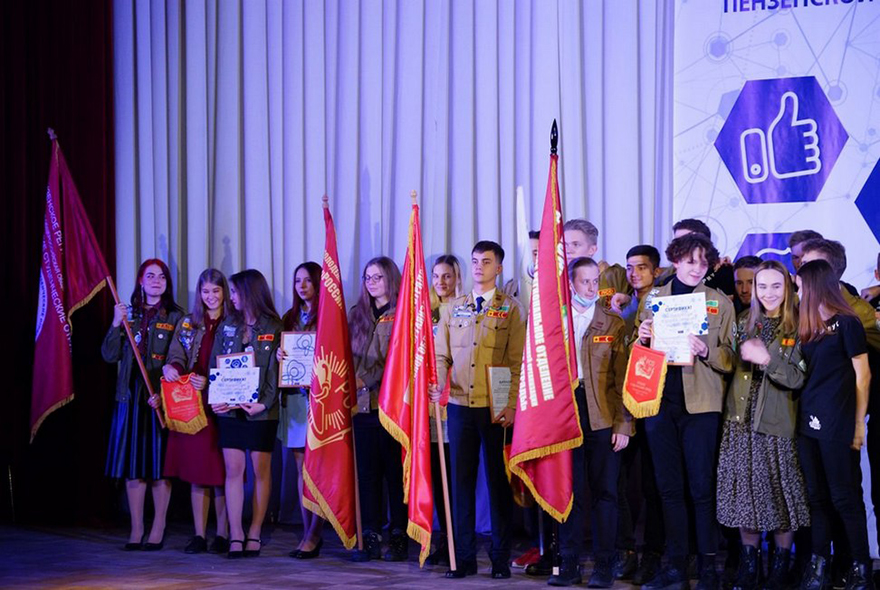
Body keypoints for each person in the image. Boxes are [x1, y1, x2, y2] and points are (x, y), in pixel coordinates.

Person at [636, 233, 737, 590]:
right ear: (675, 260)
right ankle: (676, 567)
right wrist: (641, 336)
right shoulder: (654, 298)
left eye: (703, 261)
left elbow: (731, 357)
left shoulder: (719, 302)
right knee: (668, 488)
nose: (697, 268)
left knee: (701, 488)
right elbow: (637, 352)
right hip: (659, 404)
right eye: (690, 260)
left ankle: (708, 568)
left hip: (702, 407)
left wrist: (706, 351)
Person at [432, 240, 526, 579]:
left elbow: (516, 362)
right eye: (474, 261)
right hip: (459, 406)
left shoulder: (511, 309)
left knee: (499, 483)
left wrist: (511, 405)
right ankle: (464, 557)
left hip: (495, 407)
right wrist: (437, 382)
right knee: (461, 484)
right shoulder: (453, 308)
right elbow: (441, 355)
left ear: (498, 268)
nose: (478, 267)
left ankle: (500, 558)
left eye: (486, 262)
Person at [716, 261, 810, 590]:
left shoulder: (800, 324)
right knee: (745, 497)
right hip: (740, 422)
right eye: (762, 286)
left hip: (777, 423)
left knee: (780, 497)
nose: (768, 293)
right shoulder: (744, 321)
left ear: (788, 287)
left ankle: (780, 567)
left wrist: (767, 360)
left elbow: (798, 378)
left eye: (776, 286)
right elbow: (728, 363)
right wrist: (705, 351)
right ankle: (749, 567)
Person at [549, 257, 632, 587]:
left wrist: (623, 424)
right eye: (584, 281)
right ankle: (569, 563)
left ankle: (604, 565)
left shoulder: (612, 322)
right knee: (568, 492)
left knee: (605, 493)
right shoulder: (554, 319)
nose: (590, 287)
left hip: (602, 413)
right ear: (570, 283)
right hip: (564, 413)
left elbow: (622, 379)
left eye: (595, 281)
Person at [794, 259, 872, 590]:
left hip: (838, 422)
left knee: (844, 498)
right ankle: (818, 568)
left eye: (800, 286)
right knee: (816, 498)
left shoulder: (848, 323)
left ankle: (860, 569)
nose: (797, 292)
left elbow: (863, 376)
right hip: (807, 423)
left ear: (814, 286)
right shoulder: (806, 326)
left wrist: (858, 423)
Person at [103, 258, 184, 550]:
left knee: (159, 467)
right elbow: (109, 355)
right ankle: (136, 528)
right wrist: (116, 323)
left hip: (157, 399)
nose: (156, 281)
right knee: (133, 467)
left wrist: (164, 394)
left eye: (161, 277)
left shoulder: (176, 316)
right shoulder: (128, 314)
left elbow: (180, 359)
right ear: (140, 280)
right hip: (130, 398)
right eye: (150, 276)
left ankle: (158, 526)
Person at [209, 269, 282, 559]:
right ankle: (236, 533)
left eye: (236, 292)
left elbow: (276, 372)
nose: (232, 298)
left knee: (260, 471)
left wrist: (264, 403)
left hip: (261, 412)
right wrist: (217, 398)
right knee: (233, 471)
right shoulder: (227, 324)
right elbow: (215, 364)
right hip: (230, 412)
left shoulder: (274, 326)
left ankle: (255, 531)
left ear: (250, 293)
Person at [162, 268, 230, 554]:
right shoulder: (188, 323)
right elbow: (177, 353)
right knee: (198, 471)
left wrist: (211, 381)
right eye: (205, 291)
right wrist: (173, 368)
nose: (210, 296)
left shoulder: (234, 322)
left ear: (224, 292)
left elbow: (241, 362)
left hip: (224, 404)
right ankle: (199, 534)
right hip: (193, 405)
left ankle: (223, 533)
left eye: (216, 291)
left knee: (222, 472)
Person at [348, 256, 409, 562]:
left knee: (395, 476)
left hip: (391, 407)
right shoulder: (356, 314)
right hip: (361, 409)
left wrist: (364, 379)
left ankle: (399, 535)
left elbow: (397, 361)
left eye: (378, 277)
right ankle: (370, 534)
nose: (371, 283)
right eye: (367, 278)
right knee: (368, 476)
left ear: (391, 279)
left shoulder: (402, 314)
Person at [615, 245, 665, 584]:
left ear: (656, 271)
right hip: (622, 403)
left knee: (653, 483)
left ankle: (653, 553)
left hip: (653, 403)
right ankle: (625, 549)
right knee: (618, 481)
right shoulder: (622, 305)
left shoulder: (664, 301)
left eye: (642, 267)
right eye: (630, 267)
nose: (634, 273)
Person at [276, 262, 325, 558]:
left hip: (320, 399)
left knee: (317, 466)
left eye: (308, 280)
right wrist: (280, 355)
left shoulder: (330, 314)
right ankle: (307, 530)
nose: (302, 286)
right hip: (294, 398)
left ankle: (315, 532)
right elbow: (282, 356)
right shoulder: (289, 317)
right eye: (297, 281)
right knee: (300, 467)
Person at [426, 255, 463, 566]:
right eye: (436, 276)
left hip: (456, 401)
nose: (441, 282)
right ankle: (444, 537)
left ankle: (459, 538)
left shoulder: (464, 309)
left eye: (447, 276)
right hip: (430, 406)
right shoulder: (425, 314)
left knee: (455, 474)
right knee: (438, 476)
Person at [563, 219, 631, 312]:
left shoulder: (615, 276)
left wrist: (628, 299)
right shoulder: (554, 280)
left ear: (592, 250)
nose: (568, 250)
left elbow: (641, 302)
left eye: (576, 244)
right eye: (565, 245)